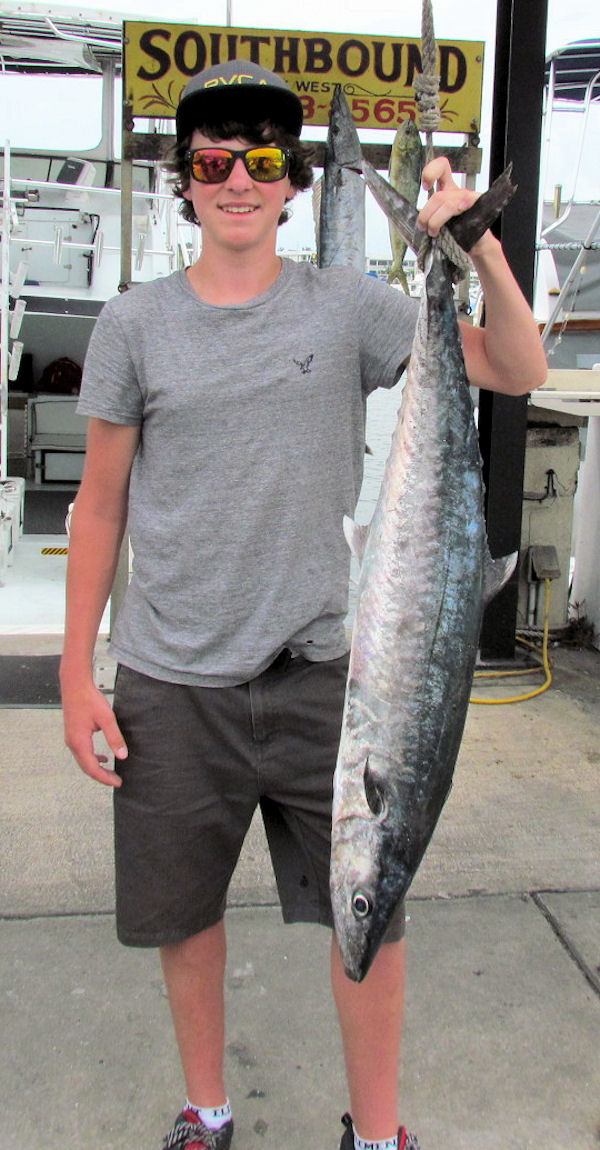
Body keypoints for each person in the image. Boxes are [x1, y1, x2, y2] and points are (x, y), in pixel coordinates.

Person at [60, 60, 547, 1150]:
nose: (238, 177)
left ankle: (377, 1133)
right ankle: (209, 1109)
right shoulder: (135, 325)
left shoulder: (355, 307)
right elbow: (97, 510)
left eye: (263, 158)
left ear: (292, 183)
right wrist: (75, 672)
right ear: (186, 178)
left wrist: (478, 248)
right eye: (215, 158)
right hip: (171, 677)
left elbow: (514, 365)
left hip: (338, 670)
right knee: (183, 915)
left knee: (372, 907)